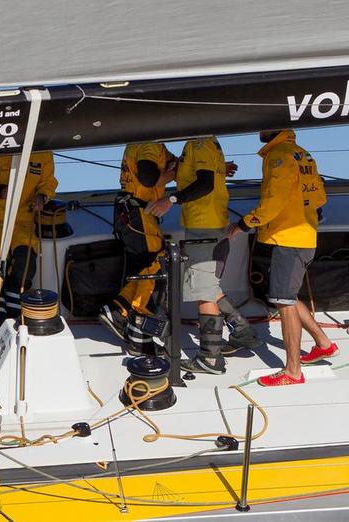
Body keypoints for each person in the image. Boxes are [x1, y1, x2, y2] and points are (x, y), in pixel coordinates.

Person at [226, 130, 337, 386]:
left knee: (283, 301)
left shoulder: (278, 155)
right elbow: (319, 197)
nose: (259, 131)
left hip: (288, 238)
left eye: (263, 127)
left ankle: (292, 371)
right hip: (304, 235)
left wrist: (244, 224)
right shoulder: (302, 153)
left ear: (273, 129)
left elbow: (273, 201)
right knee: (285, 295)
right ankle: (324, 344)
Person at [147, 137, 259, 374]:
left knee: (203, 292)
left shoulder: (199, 144)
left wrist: (171, 199)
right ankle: (242, 331)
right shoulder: (206, 145)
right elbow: (208, 175)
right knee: (209, 285)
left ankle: (210, 358)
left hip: (204, 226)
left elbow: (205, 184)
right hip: (214, 223)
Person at [100, 142, 176, 355]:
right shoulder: (148, 146)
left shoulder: (151, 146)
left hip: (133, 212)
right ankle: (138, 334)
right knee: (154, 268)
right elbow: (149, 178)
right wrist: (171, 176)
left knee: (145, 266)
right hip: (138, 213)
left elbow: (175, 163)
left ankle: (118, 309)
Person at [0, 152, 58, 324]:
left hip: (25, 218)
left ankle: (13, 317)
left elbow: (48, 182)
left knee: (25, 264)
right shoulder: (0, 147)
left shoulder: (44, 152)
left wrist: (42, 197)